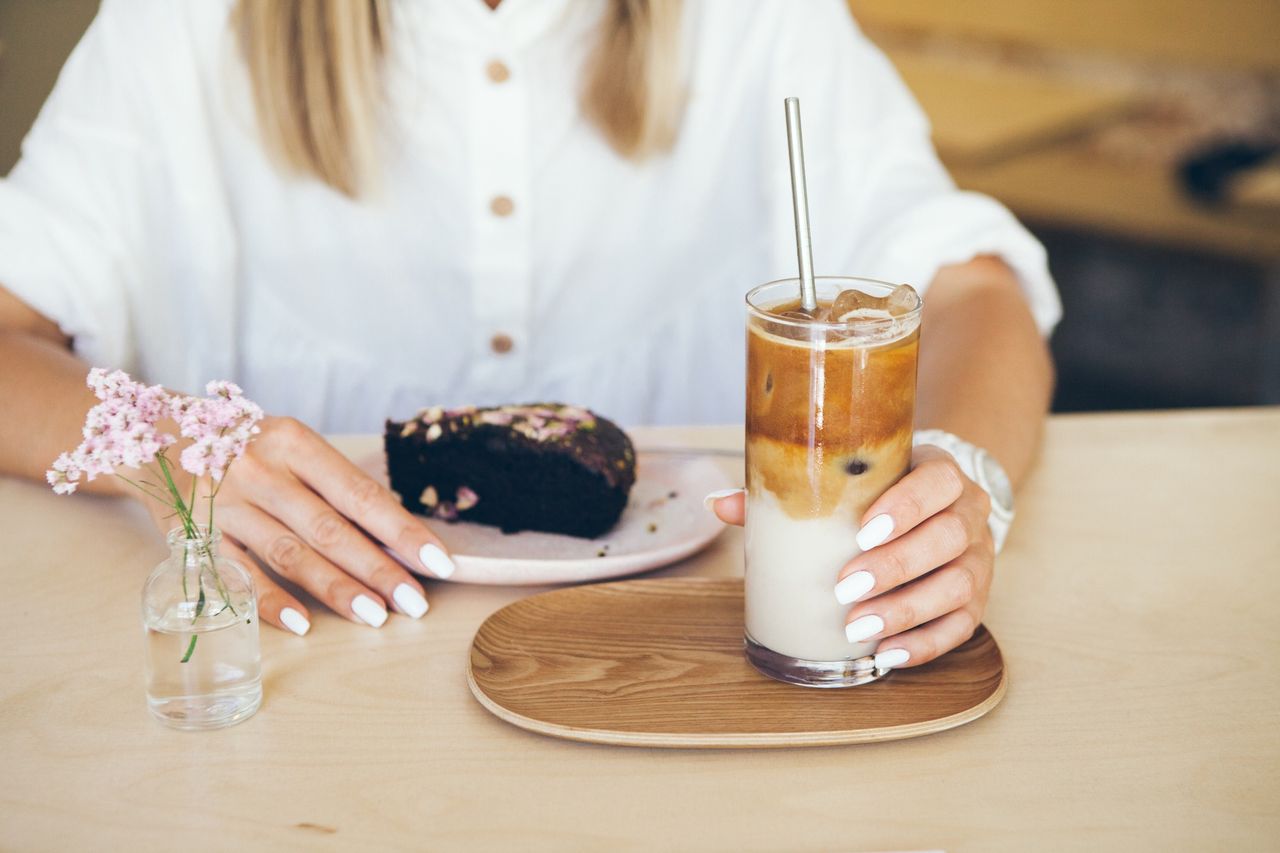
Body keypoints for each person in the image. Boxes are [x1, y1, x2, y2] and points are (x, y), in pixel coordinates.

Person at [0, 0, 1058, 669]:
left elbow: (974, 295)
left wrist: (964, 477)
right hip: (300, 676)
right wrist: (167, 450)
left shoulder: (758, 22)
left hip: (685, 672)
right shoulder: (177, 26)